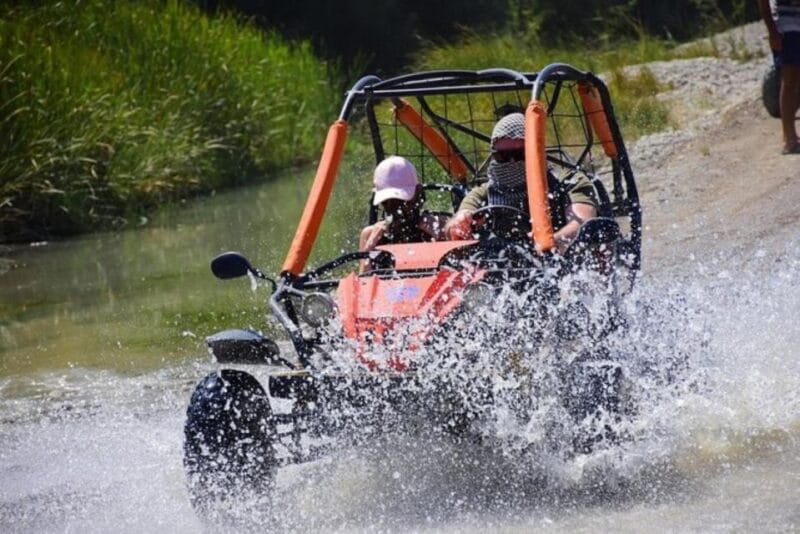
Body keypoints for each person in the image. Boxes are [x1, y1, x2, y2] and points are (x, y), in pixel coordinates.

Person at [444, 112, 598, 252]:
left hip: (560, 260)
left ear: (535, 151)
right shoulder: (484, 192)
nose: (511, 162)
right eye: (502, 157)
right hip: (503, 267)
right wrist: (458, 225)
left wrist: (549, 242)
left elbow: (582, 224)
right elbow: (457, 220)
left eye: (519, 155)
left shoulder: (570, 183)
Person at [359, 156, 447, 252]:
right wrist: (369, 248)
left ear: (418, 194)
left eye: (402, 201)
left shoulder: (442, 226)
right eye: (386, 202)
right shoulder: (370, 234)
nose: (394, 209)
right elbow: (365, 266)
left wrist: (442, 241)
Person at [760, 0, 800, 154]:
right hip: (785, 26)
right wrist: (772, 31)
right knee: (790, 80)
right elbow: (763, 4)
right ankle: (789, 139)